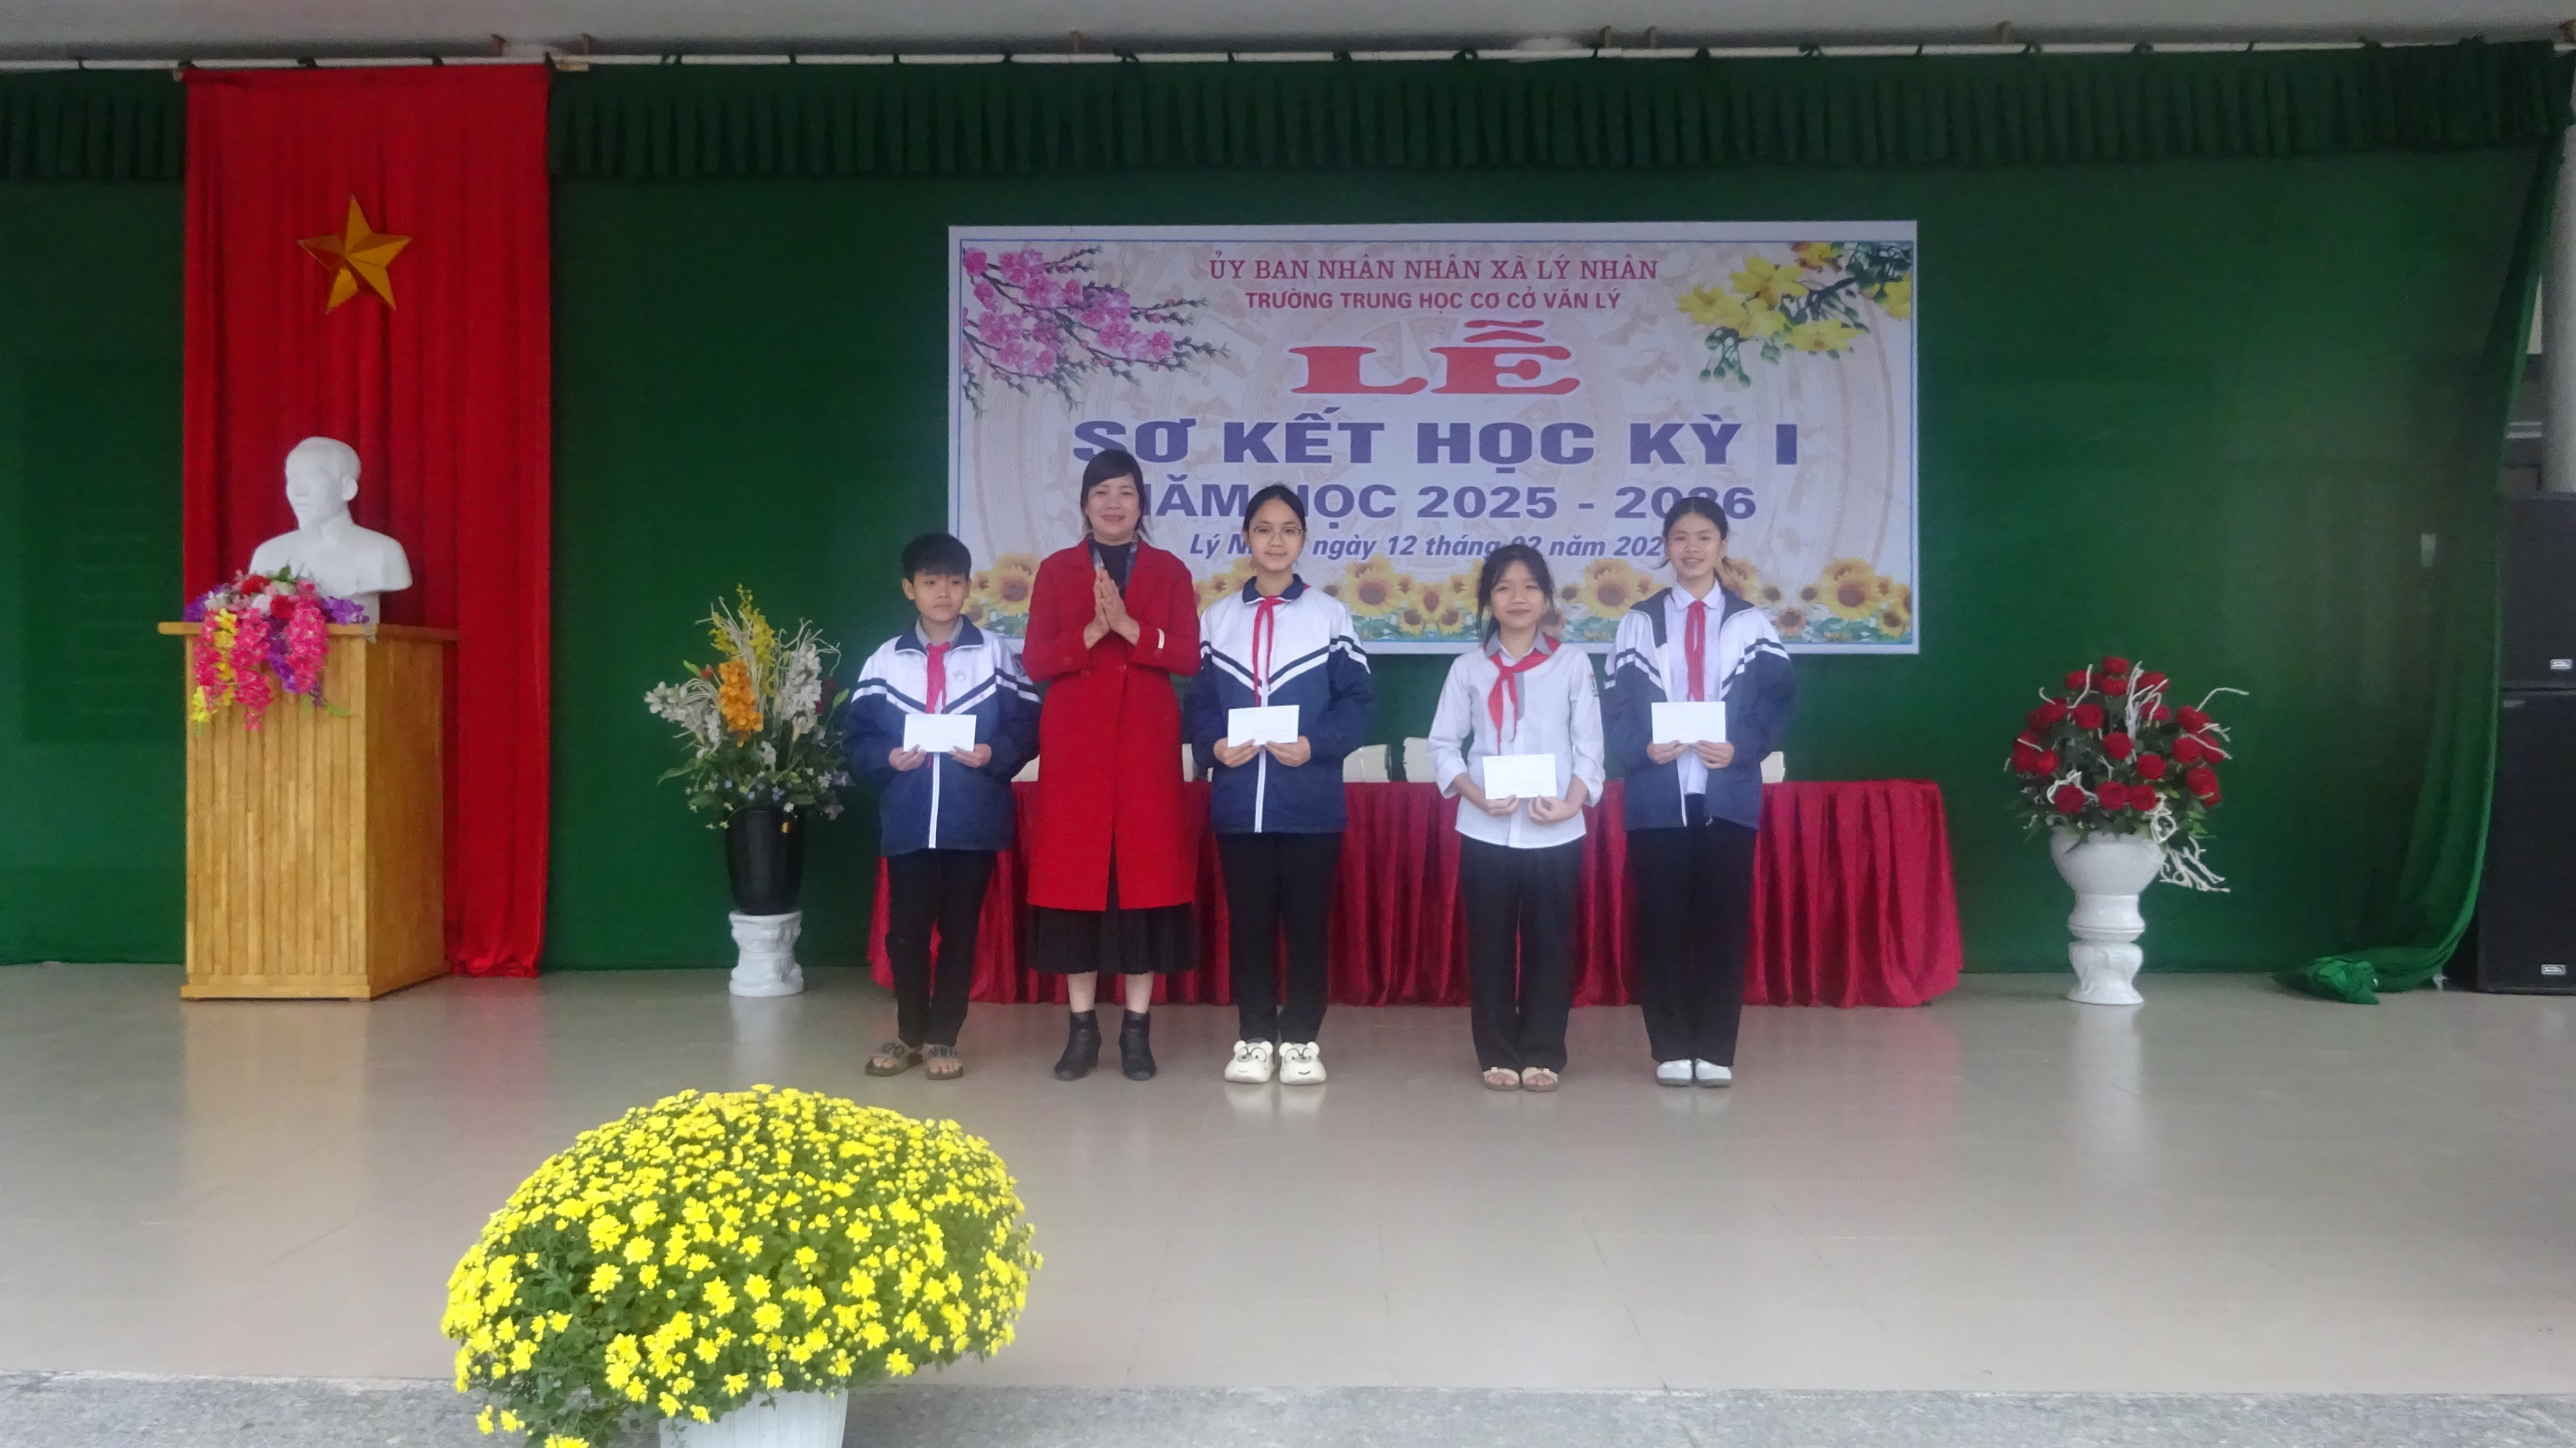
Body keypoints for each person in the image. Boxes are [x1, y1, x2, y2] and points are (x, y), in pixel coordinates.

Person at [1021, 449, 1204, 1082]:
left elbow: (1188, 657)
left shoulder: (1169, 570)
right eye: (1101, 492)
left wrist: (1130, 627)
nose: (1113, 503)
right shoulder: (1057, 570)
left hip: (1145, 754)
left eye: (1125, 491)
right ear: (1084, 503)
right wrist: (1093, 633)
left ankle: (1136, 1032)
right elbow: (1036, 662)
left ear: (1142, 503)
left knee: (1143, 891)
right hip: (1077, 754)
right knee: (1076, 890)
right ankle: (1081, 1033)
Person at [1182, 485, 1374, 1086]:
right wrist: (1215, 745)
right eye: (1264, 529)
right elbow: (1198, 703)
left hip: (1310, 804)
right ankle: (1255, 1036)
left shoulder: (1329, 616)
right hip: (1240, 804)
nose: (1276, 540)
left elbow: (1359, 703)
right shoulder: (1217, 619)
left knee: (1308, 927)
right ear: (1246, 537)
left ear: (1303, 540)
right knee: (1250, 926)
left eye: (1289, 530)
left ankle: (1302, 1040)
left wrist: (1315, 745)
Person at [1603, 496, 1797, 1087]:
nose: (1692, 548)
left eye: (1704, 536)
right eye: (1680, 537)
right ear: (1666, 546)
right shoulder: (1640, 621)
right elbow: (1614, 705)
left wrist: (1743, 748)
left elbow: (1779, 700)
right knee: (1660, 923)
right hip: (1657, 795)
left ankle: (1715, 1048)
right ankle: (1670, 1047)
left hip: (1727, 793)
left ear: (1723, 545)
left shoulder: (1750, 623)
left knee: (1723, 922)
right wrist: (1641, 748)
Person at [844, 532, 1040, 1081]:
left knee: (961, 930)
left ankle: (943, 1037)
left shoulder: (996, 655)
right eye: (931, 582)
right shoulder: (884, 661)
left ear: (969, 587)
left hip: (971, 819)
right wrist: (885, 757)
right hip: (908, 818)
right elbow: (856, 739)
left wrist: (994, 753)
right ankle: (909, 1032)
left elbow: (1029, 726)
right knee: (906, 931)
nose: (944, 593)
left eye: (954, 582)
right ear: (910, 589)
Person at [1426, 544, 1604, 1092]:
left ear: (1546, 597)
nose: (1518, 598)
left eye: (1529, 586)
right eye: (1504, 587)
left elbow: (1590, 746)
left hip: (1555, 827)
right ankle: (1497, 1051)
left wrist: (1573, 802)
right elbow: (1442, 744)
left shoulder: (1572, 664)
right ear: (1488, 600)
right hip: (1485, 827)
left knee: (1551, 943)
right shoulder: (1468, 668)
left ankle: (1544, 1050)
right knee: (1491, 943)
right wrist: (1475, 795)